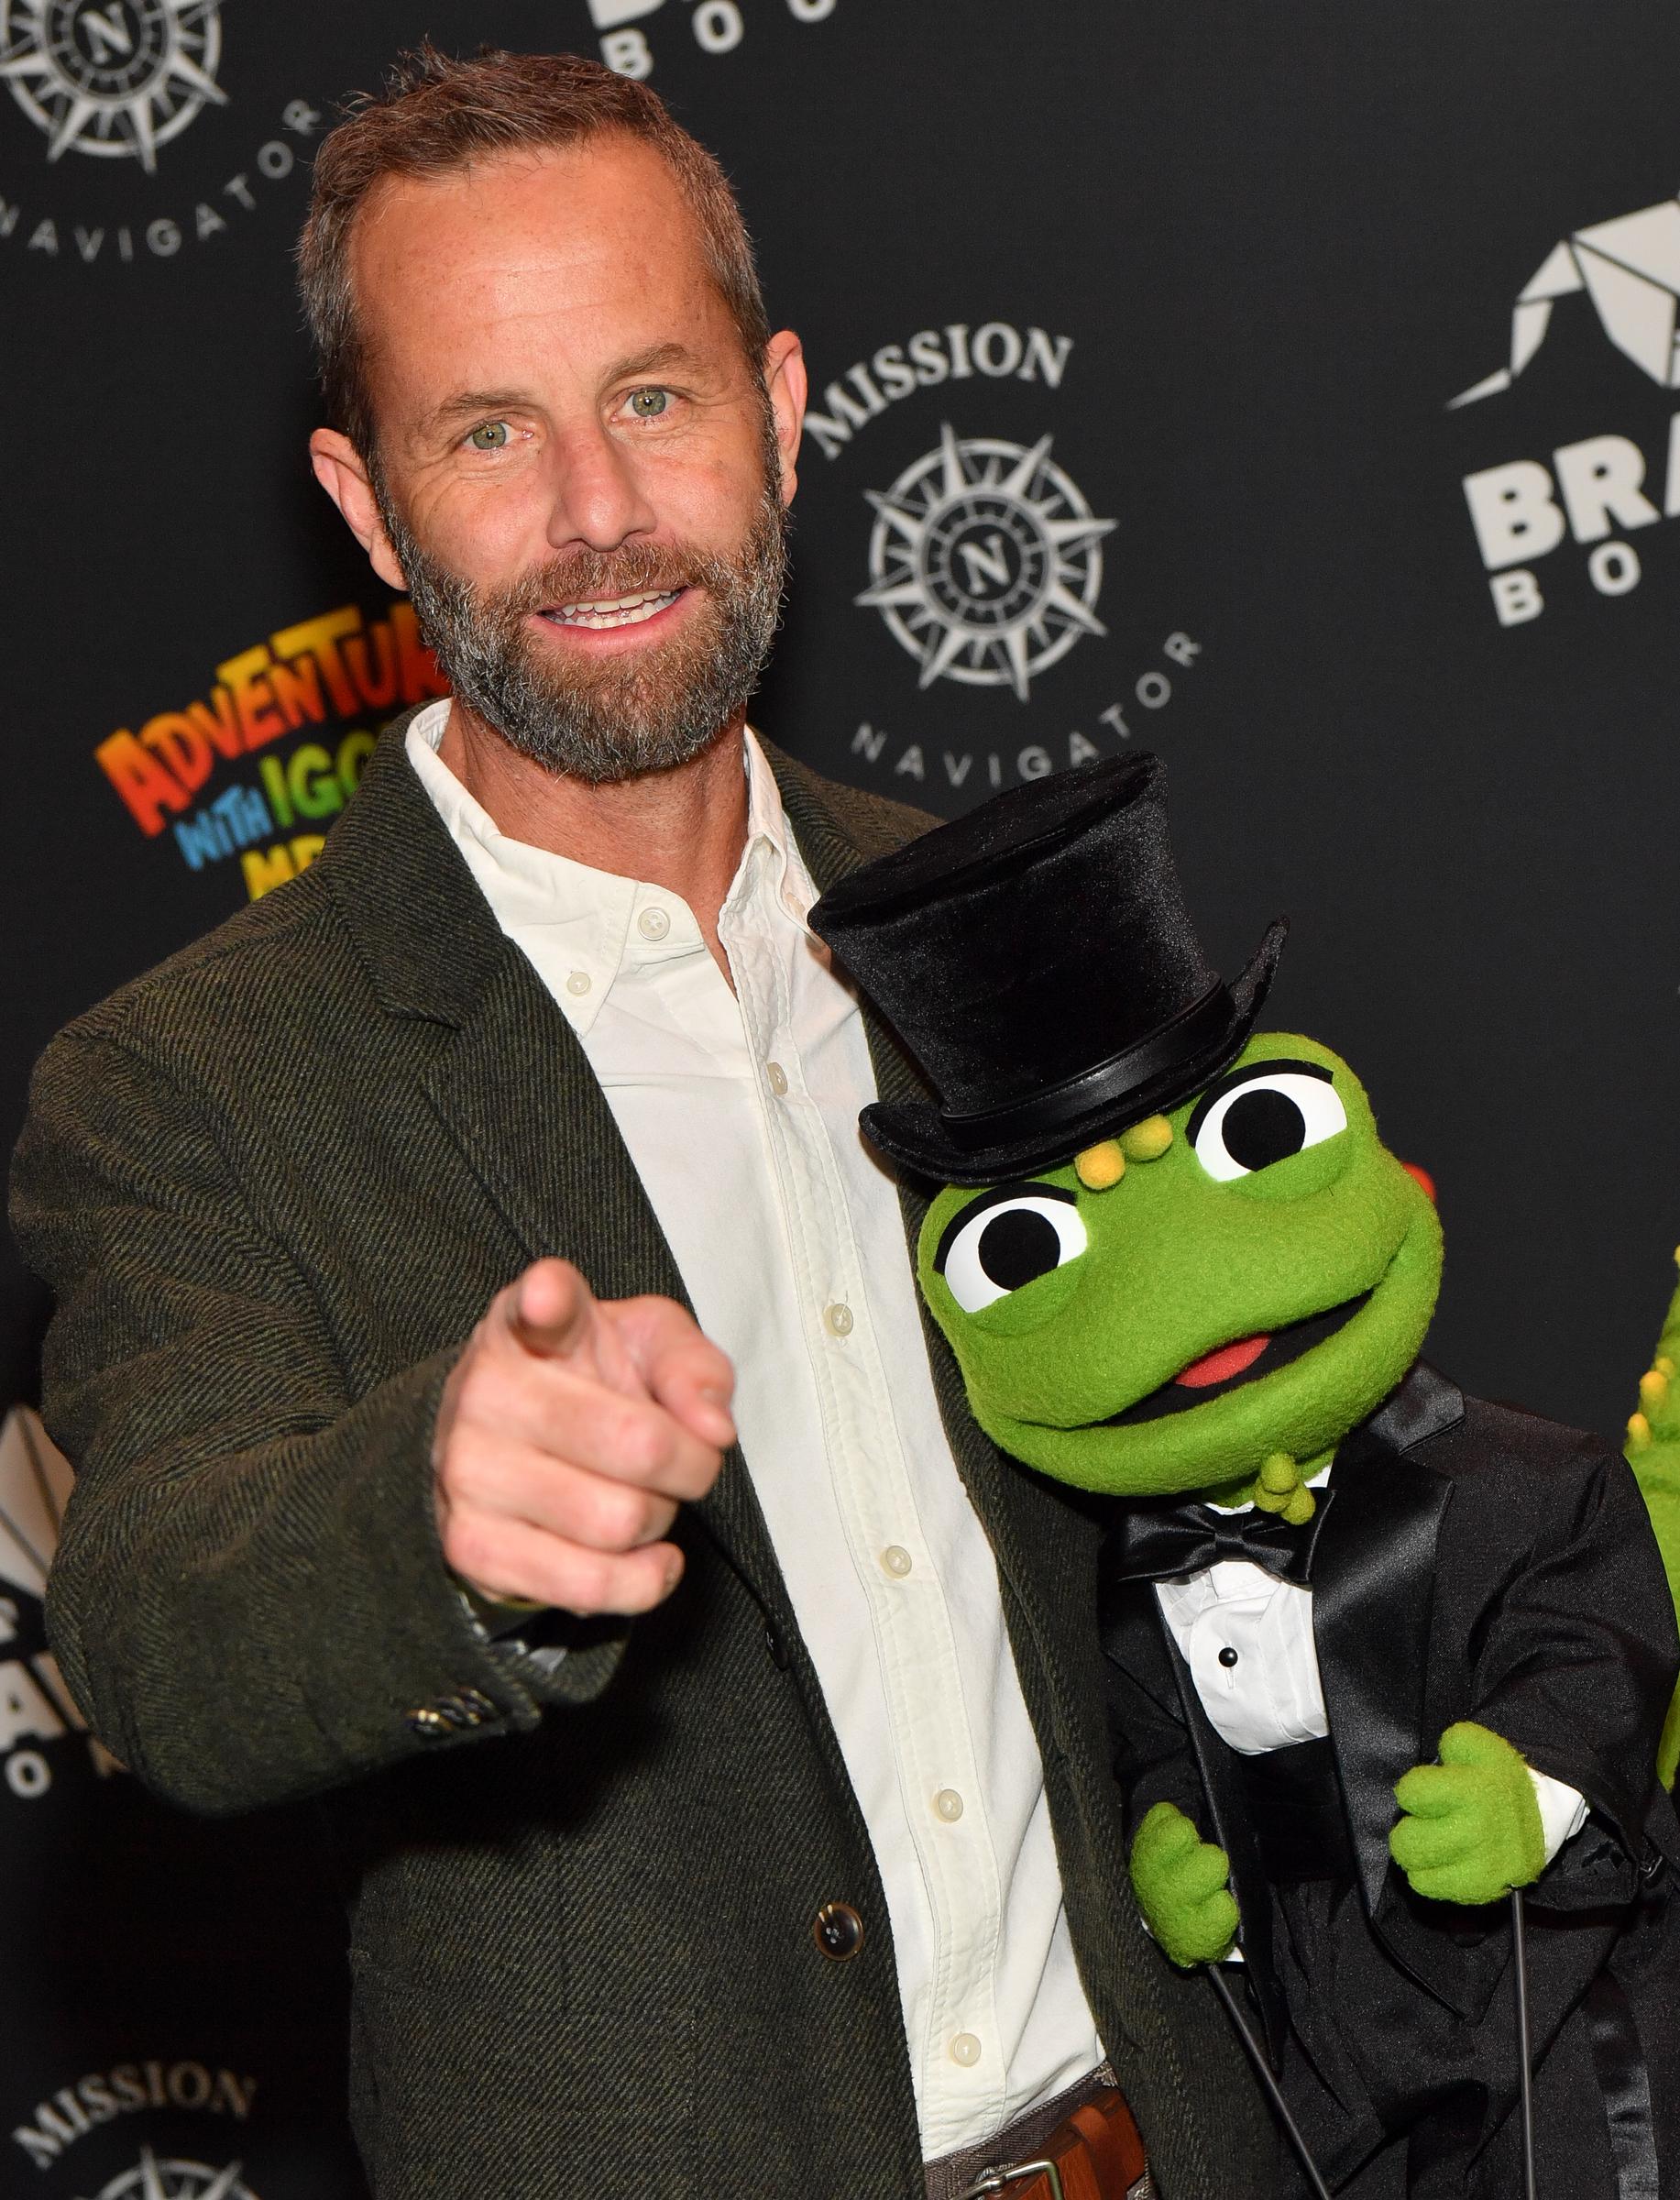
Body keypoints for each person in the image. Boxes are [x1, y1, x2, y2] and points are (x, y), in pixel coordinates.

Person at [10, 49, 1270, 2200]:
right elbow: (167, 1622)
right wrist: (428, 1511)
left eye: (654, 397)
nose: (596, 508)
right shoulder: (192, 1078)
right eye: (488, 432)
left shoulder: (997, 915)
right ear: (366, 502)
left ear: (778, 412)